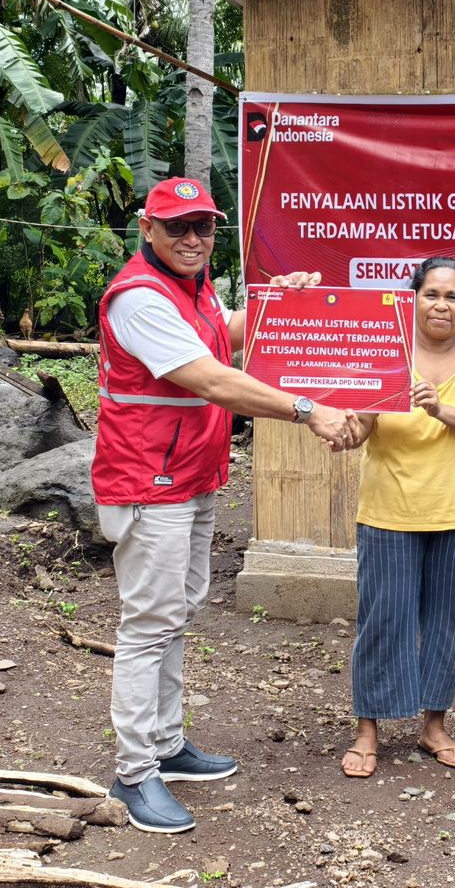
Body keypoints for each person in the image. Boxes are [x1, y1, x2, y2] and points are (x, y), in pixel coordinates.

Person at [93, 176, 354, 833]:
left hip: (191, 477)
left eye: (203, 226)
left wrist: (276, 309)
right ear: (147, 230)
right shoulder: (139, 298)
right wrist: (306, 408)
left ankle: (167, 745)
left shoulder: (194, 286)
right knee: (149, 623)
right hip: (150, 485)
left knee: (176, 614)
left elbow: (222, 338)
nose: (192, 238)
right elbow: (211, 378)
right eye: (177, 226)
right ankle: (134, 774)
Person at [339, 258, 455, 778]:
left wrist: (441, 410)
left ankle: (434, 724)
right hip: (390, 510)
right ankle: (367, 729)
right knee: (382, 618)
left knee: (445, 623)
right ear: (413, 298)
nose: (441, 304)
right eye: (432, 294)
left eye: (452, 296)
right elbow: (361, 427)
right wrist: (339, 430)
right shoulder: (387, 352)